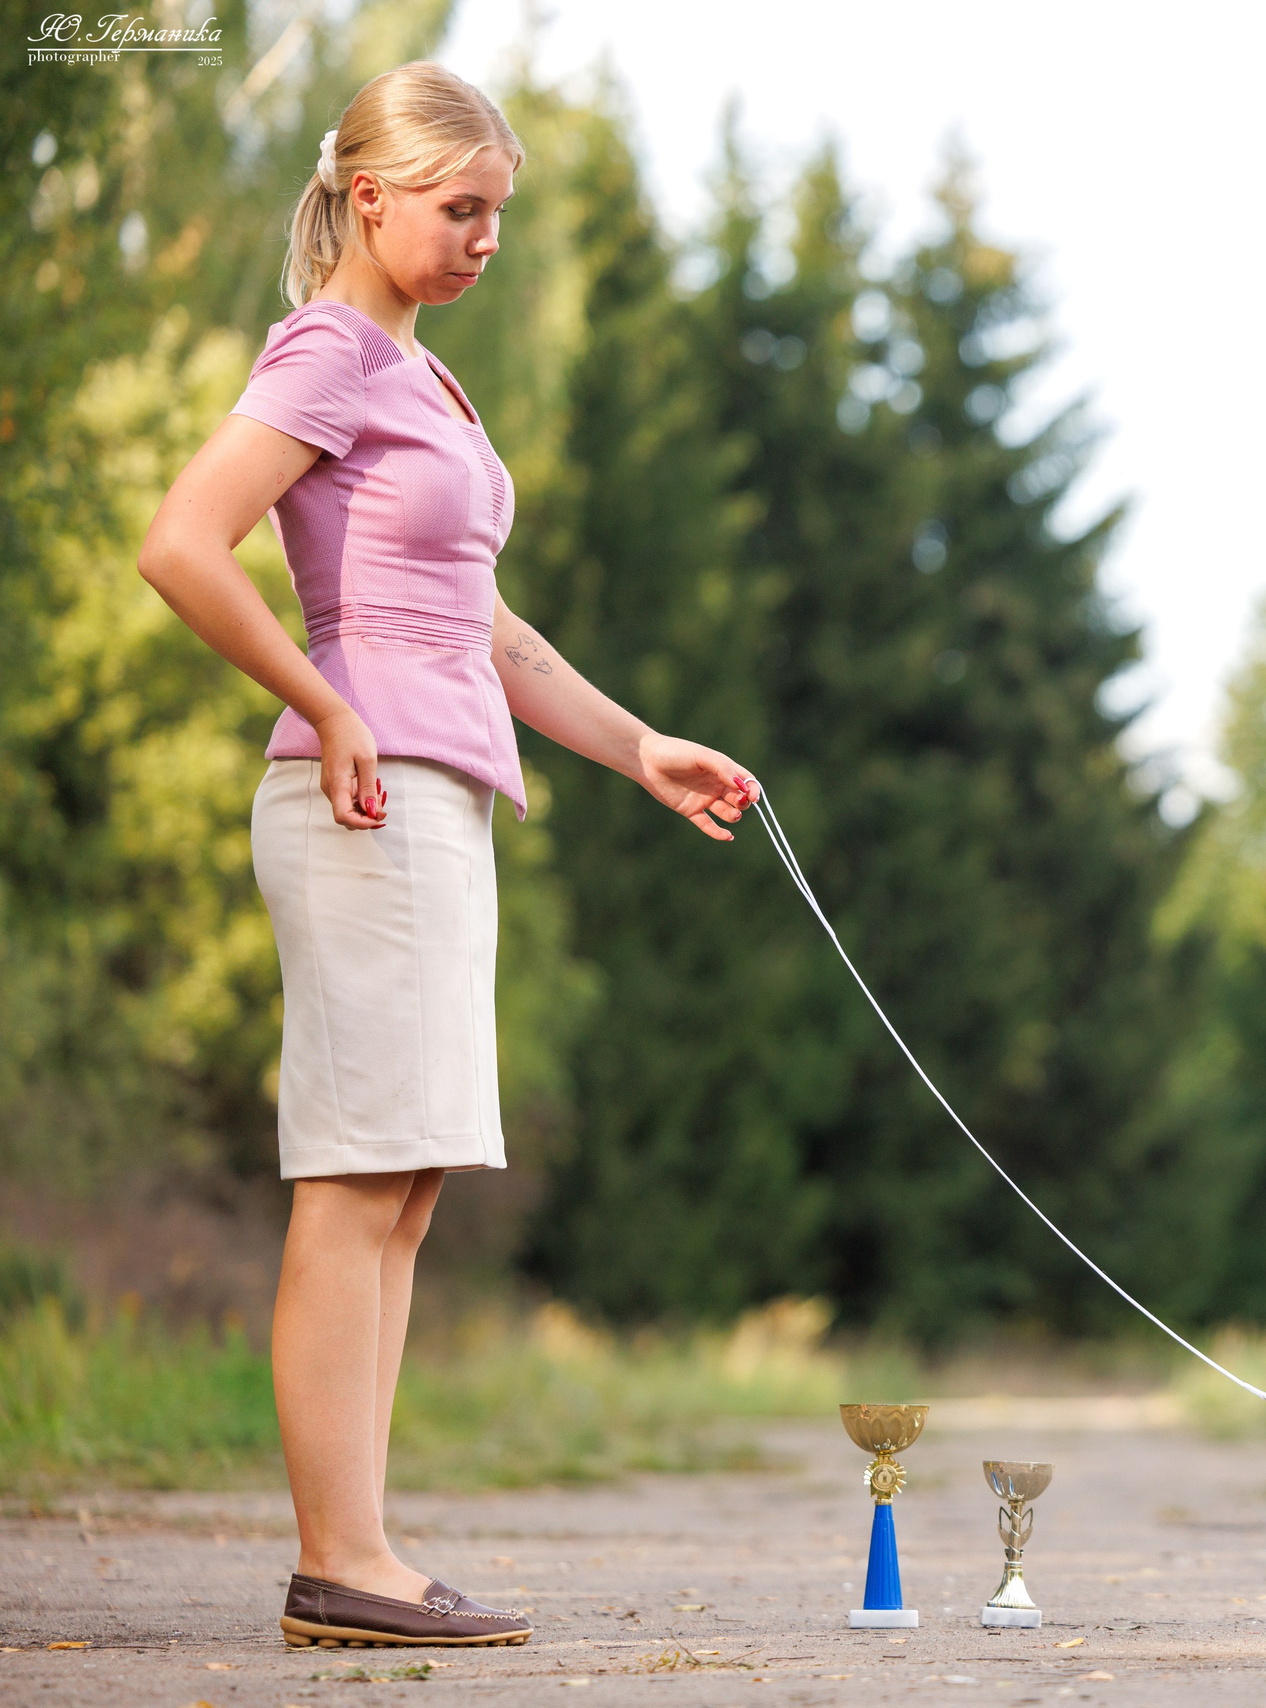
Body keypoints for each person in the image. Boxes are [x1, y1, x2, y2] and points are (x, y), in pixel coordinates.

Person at [137, 61, 757, 1650]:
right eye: (461, 208)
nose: (486, 237)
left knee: (399, 1184)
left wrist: (637, 748)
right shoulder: (331, 349)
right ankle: (338, 1563)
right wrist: (319, 702)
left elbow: (485, 629)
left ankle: (362, 1551)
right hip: (363, 801)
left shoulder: (425, 378)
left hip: (440, 800)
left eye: (498, 212)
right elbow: (182, 544)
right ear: (370, 198)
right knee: (355, 1181)